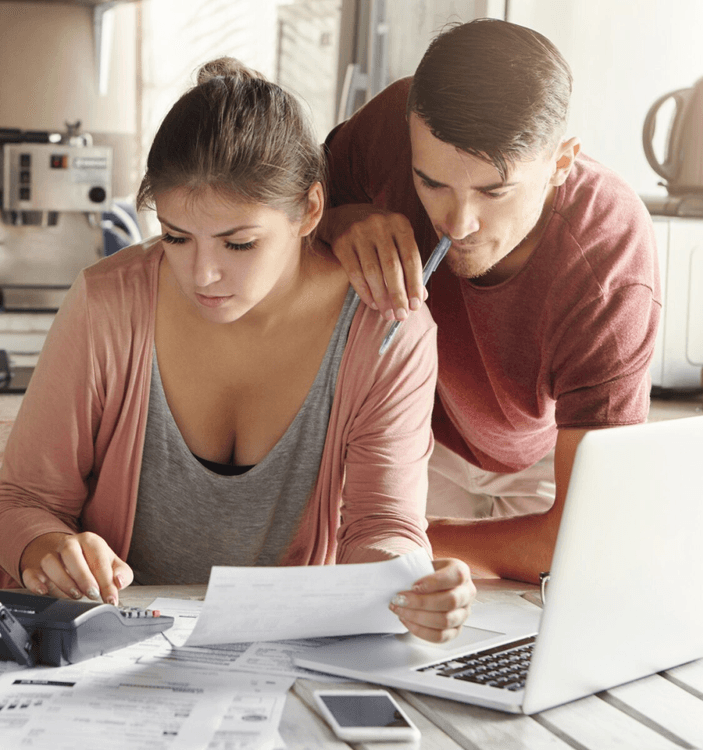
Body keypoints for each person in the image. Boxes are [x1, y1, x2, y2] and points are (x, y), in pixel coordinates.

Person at [0, 58, 475, 644]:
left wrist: (411, 586)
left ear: (310, 211)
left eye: (240, 242)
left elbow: (383, 523)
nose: (203, 274)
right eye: (176, 237)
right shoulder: (108, 303)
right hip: (108, 649)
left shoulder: (386, 332)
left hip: (286, 649)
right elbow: (23, 499)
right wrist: (46, 547)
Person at [320, 19, 661, 582]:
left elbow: (583, 535)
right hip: (410, 435)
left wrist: (407, 539)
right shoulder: (391, 123)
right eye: (431, 183)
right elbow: (281, 220)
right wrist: (337, 220)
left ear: (560, 162)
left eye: (493, 190)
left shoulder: (610, 258)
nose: (456, 223)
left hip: (543, 468)